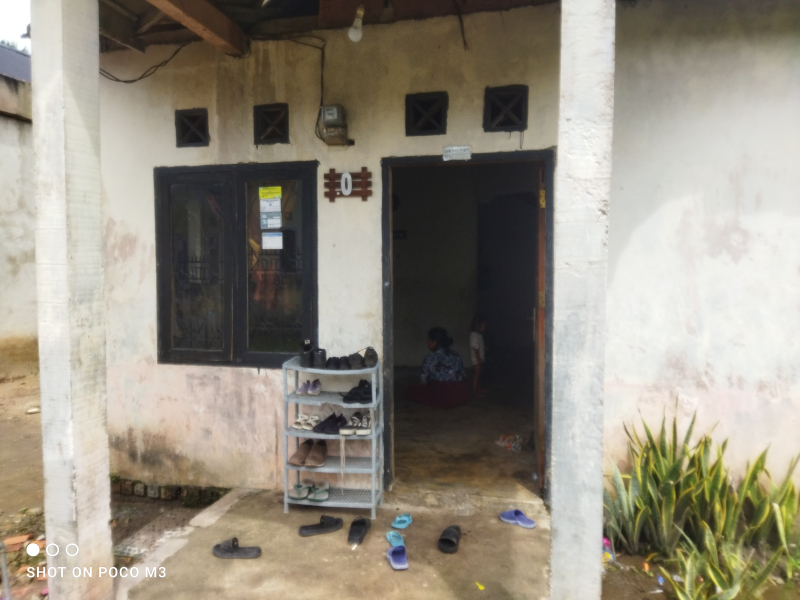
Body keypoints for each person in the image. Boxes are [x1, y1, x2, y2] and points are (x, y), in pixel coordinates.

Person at [406, 327, 469, 409]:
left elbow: (423, 382)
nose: (427, 343)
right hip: (462, 395)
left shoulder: (430, 358)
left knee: (410, 390)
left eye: (429, 340)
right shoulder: (455, 354)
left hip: (444, 397)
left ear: (434, 342)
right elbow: (463, 375)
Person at [469, 313, 488, 394]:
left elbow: (479, 345)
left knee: (479, 374)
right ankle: (474, 391)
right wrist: (479, 359)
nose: (485, 328)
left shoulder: (478, 335)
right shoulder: (474, 336)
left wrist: (484, 347)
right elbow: (476, 349)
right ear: (477, 325)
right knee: (477, 375)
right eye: (484, 326)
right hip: (477, 360)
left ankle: (478, 388)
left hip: (479, 359)